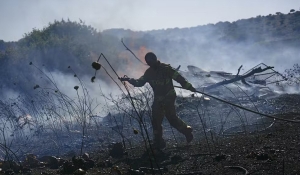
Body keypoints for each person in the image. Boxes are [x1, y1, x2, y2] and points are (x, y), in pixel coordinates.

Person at [123, 52, 196, 149]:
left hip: (169, 96)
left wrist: (189, 87)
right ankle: (158, 141)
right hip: (158, 99)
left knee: (172, 119)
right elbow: (139, 82)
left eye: (151, 61)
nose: (150, 63)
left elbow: (179, 78)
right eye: (148, 62)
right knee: (156, 120)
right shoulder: (148, 73)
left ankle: (187, 131)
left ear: (155, 59)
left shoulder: (166, 69)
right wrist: (129, 80)